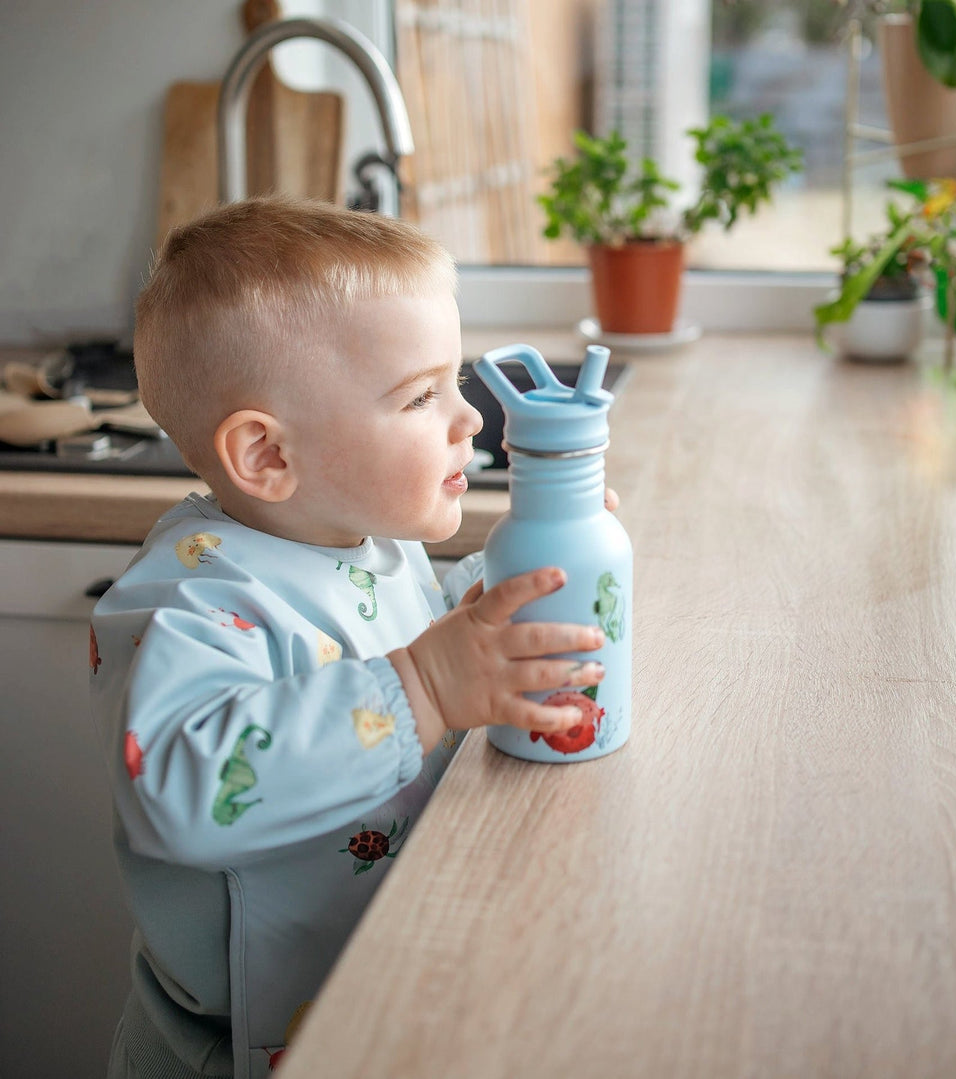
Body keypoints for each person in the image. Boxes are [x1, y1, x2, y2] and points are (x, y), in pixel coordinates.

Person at [89, 196, 608, 1078]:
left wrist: (509, 585)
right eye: (421, 395)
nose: (469, 418)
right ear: (267, 456)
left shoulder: (362, 535)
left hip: (373, 982)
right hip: (237, 1048)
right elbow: (176, 789)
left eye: (457, 380)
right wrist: (431, 687)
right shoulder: (192, 600)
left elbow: (393, 630)